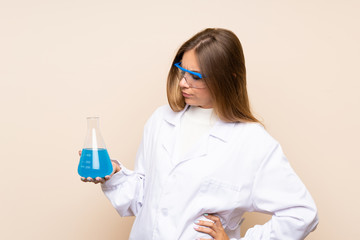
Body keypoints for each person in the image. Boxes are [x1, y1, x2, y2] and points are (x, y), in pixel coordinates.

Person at [80, 28, 318, 240]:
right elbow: (144, 200)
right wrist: (115, 174)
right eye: (182, 71)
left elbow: (301, 214)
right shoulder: (160, 121)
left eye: (196, 77)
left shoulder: (252, 142)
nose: (183, 83)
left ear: (228, 78)